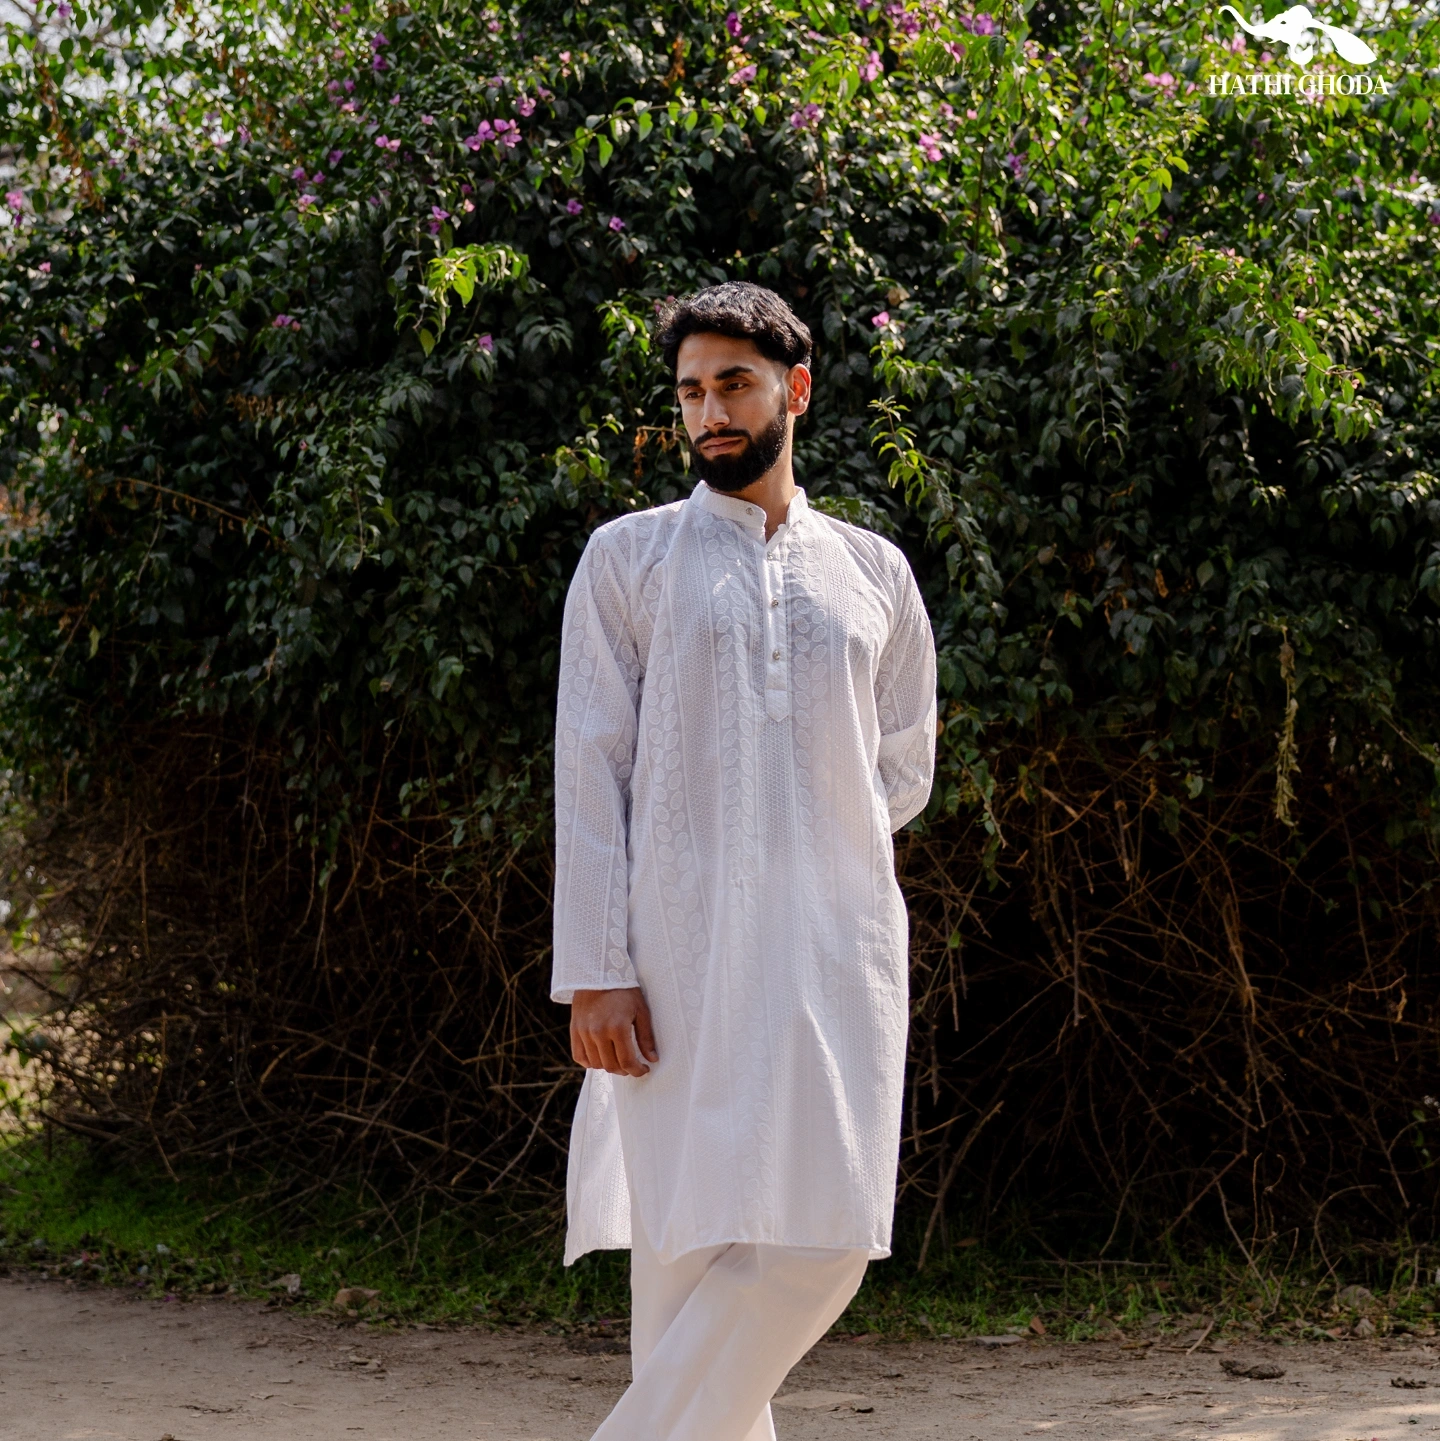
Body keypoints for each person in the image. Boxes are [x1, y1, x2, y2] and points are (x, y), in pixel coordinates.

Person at [551, 281, 937, 1441]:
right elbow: (591, 769)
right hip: (675, 956)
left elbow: (902, 765)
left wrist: (799, 850)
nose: (710, 412)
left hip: (834, 954)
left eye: (734, 384)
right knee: (684, 1251)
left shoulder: (873, 571)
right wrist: (598, 968)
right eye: (690, 392)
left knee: (826, 1236)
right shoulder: (629, 559)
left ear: (794, 390)